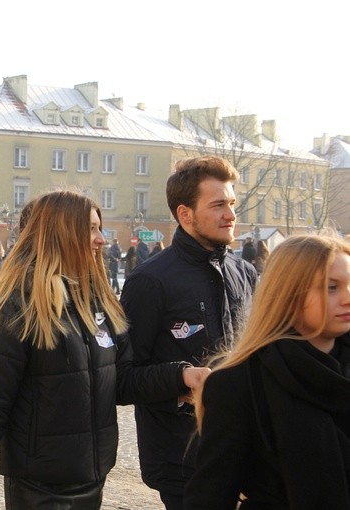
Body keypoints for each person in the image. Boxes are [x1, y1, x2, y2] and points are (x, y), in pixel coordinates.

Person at [0, 190, 208, 509]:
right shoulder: (21, 307)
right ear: (60, 232)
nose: (100, 239)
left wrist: (181, 376)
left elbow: (120, 383)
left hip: (93, 481)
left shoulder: (97, 301)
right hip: (40, 490)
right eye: (91, 228)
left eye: (99, 228)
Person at [120, 156, 258, 510]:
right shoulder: (149, 282)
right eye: (218, 205)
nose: (231, 215)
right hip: (185, 464)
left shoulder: (245, 272)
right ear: (185, 214)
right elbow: (122, 380)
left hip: (247, 455)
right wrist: (181, 378)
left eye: (231, 204)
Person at [185, 234, 350, 509]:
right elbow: (209, 496)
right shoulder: (239, 383)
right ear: (289, 294)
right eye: (331, 287)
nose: (347, 298)